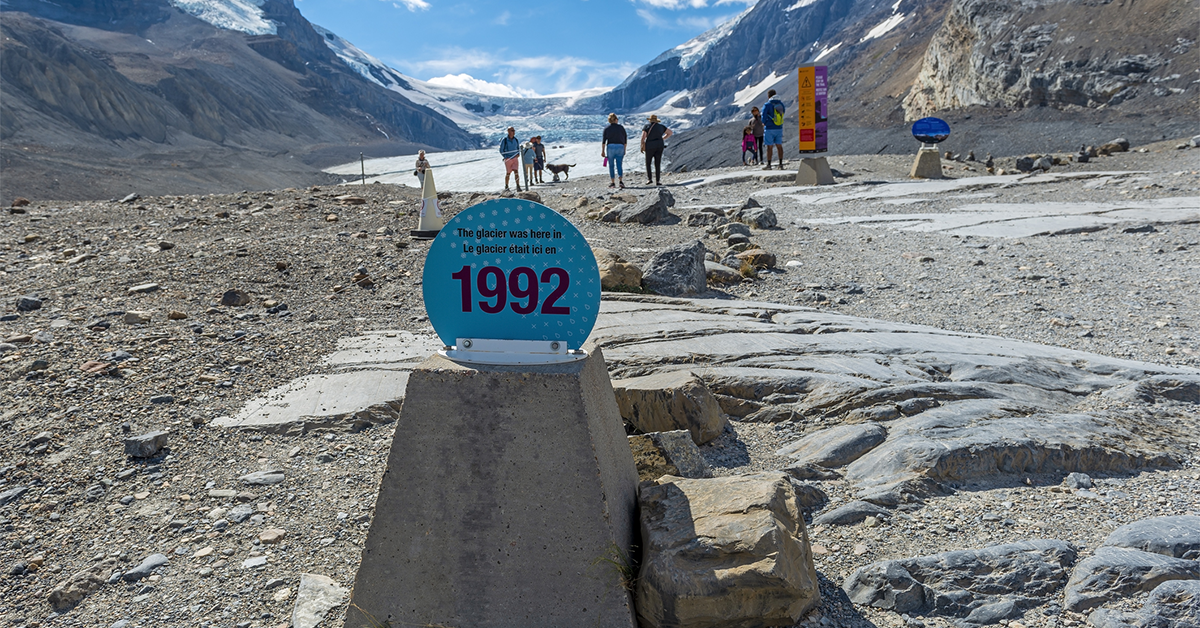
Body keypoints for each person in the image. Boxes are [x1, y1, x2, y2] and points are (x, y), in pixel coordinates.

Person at [640, 114, 672, 186]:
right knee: (657, 163)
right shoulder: (661, 127)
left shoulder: (647, 126)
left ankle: (649, 179)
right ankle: (658, 180)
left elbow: (643, 137)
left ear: (650, 120)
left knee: (648, 162)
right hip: (659, 146)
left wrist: (642, 146)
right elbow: (670, 132)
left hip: (650, 146)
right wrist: (662, 138)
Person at [601, 113, 627, 189]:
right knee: (619, 164)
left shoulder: (606, 128)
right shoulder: (621, 128)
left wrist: (603, 151)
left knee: (611, 165)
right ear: (616, 120)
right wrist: (624, 149)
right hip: (620, 146)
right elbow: (625, 139)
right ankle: (621, 181)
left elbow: (604, 141)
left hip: (610, 147)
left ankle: (612, 183)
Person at [761, 89, 785, 170]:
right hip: (779, 127)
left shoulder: (767, 104)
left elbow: (763, 115)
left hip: (769, 128)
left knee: (769, 147)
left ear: (768, 96)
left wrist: (764, 122)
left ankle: (769, 165)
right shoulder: (781, 104)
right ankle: (781, 164)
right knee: (779, 146)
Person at [499, 126, 521, 192]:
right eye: (512, 130)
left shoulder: (516, 140)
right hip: (508, 159)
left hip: (515, 158)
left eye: (514, 130)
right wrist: (505, 156)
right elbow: (501, 149)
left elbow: (518, 148)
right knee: (508, 173)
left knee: (516, 172)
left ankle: (518, 186)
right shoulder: (505, 140)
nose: (513, 132)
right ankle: (506, 186)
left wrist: (518, 154)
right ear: (508, 131)